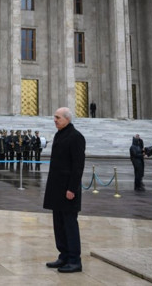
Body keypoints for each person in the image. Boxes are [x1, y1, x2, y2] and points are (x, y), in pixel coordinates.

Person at [44, 107, 86, 274]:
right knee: (59, 224)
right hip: (57, 188)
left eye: (57, 117)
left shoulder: (76, 137)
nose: (55, 120)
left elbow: (78, 166)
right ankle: (64, 255)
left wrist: (72, 188)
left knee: (69, 224)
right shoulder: (60, 134)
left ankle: (75, 260)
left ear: (67, 119)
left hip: (68, 189)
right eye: (55, 117)